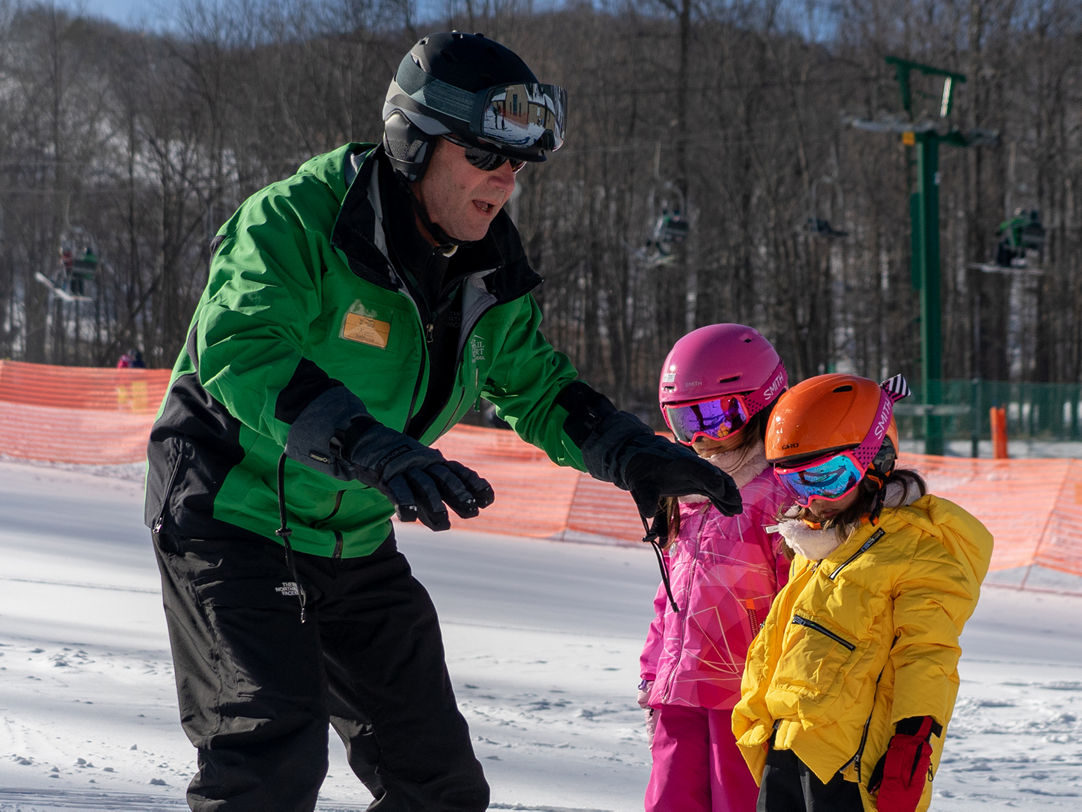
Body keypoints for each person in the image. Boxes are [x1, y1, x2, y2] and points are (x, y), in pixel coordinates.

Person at [143, 31, 742, 812]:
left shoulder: (485, 271)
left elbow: (537, 384)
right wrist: (370, 448)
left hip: (352, 538)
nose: (507, 181)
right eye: (486, 158)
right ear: (412, 142)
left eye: (518, 165)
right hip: (233, 518)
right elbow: (242, 349)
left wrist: (630, 454)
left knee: (440, 786)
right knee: (271, 759)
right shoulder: (297, 222)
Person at [732, 373, 994, 812]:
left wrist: (913, 741)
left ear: (878, 460)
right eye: (796, 483)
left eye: (828, 478)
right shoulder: (817, 544)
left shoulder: (917, 551)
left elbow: (927, 656)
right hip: (786, 747)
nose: (812, 499)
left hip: (849, 769)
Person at [637, 323, 792, 812]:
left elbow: (797, 598)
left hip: (744, 696)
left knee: (740, 803)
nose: (704, 436)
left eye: (718, 417)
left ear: (763, 403)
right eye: (687, 423)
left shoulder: (778, 494)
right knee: (669, 802)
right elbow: (671, 594)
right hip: (677, 691)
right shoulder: (682, 491)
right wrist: (651, 672)